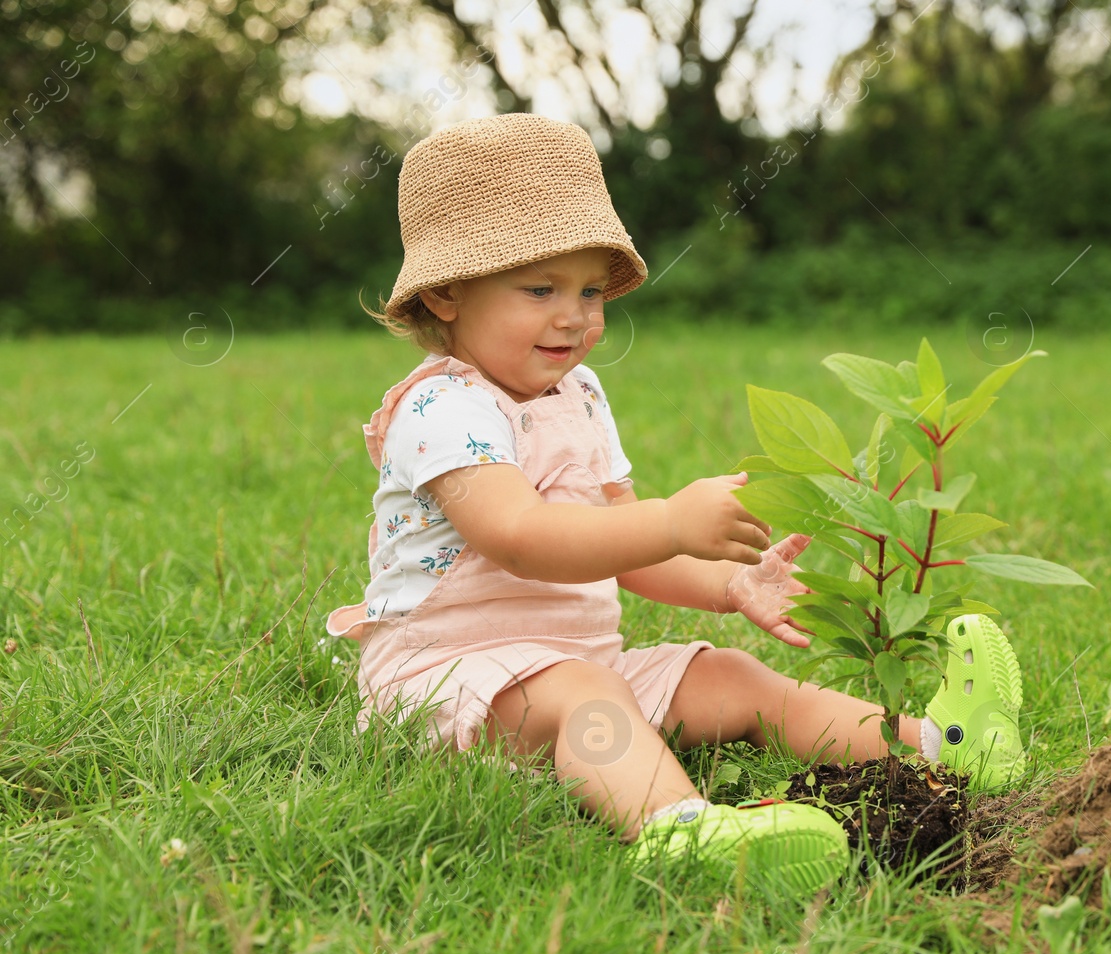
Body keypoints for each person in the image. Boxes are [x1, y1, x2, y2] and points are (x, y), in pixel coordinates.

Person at [326, 113, 1025, 896]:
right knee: (585, 695)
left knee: (731, 676)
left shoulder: (580, 394)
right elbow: (519, 536)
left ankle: (940, 742)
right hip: (448, 680)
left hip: (578, 665)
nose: (576, 315)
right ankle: (680, 832)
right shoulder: (441, 408)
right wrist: (668, 519)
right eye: (541, 288)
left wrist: (727, 583)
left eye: (591, 289)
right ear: (448, 294)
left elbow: (629, 554)